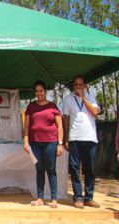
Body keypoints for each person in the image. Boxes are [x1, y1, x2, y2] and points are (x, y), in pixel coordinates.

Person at [62, 74, 101, 209]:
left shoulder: (91, 98)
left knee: (90, 169)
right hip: (74, 138)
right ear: (73, 86)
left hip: (89, 138)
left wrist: (83, 97)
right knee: (74, 168)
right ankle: (78, 197)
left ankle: (89, 197)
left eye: (80, 85)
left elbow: (95, 112)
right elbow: (66, 118)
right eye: (76, 85)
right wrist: (65, 138)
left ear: (84, 86)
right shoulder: (68, 99)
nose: (78, 87)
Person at [23, 80, 63, 208]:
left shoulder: (53, 106)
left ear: (45, 92)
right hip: (35, 143)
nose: (39, 93)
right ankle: (40, 198)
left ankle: (54, 199)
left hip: (51, 142)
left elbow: (60, 127)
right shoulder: (31, 106)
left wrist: (60, 144)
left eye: (41, 91)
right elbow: (27, 125)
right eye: (37, 91)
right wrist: (25, 140)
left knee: (51, 170)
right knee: (39, 169)